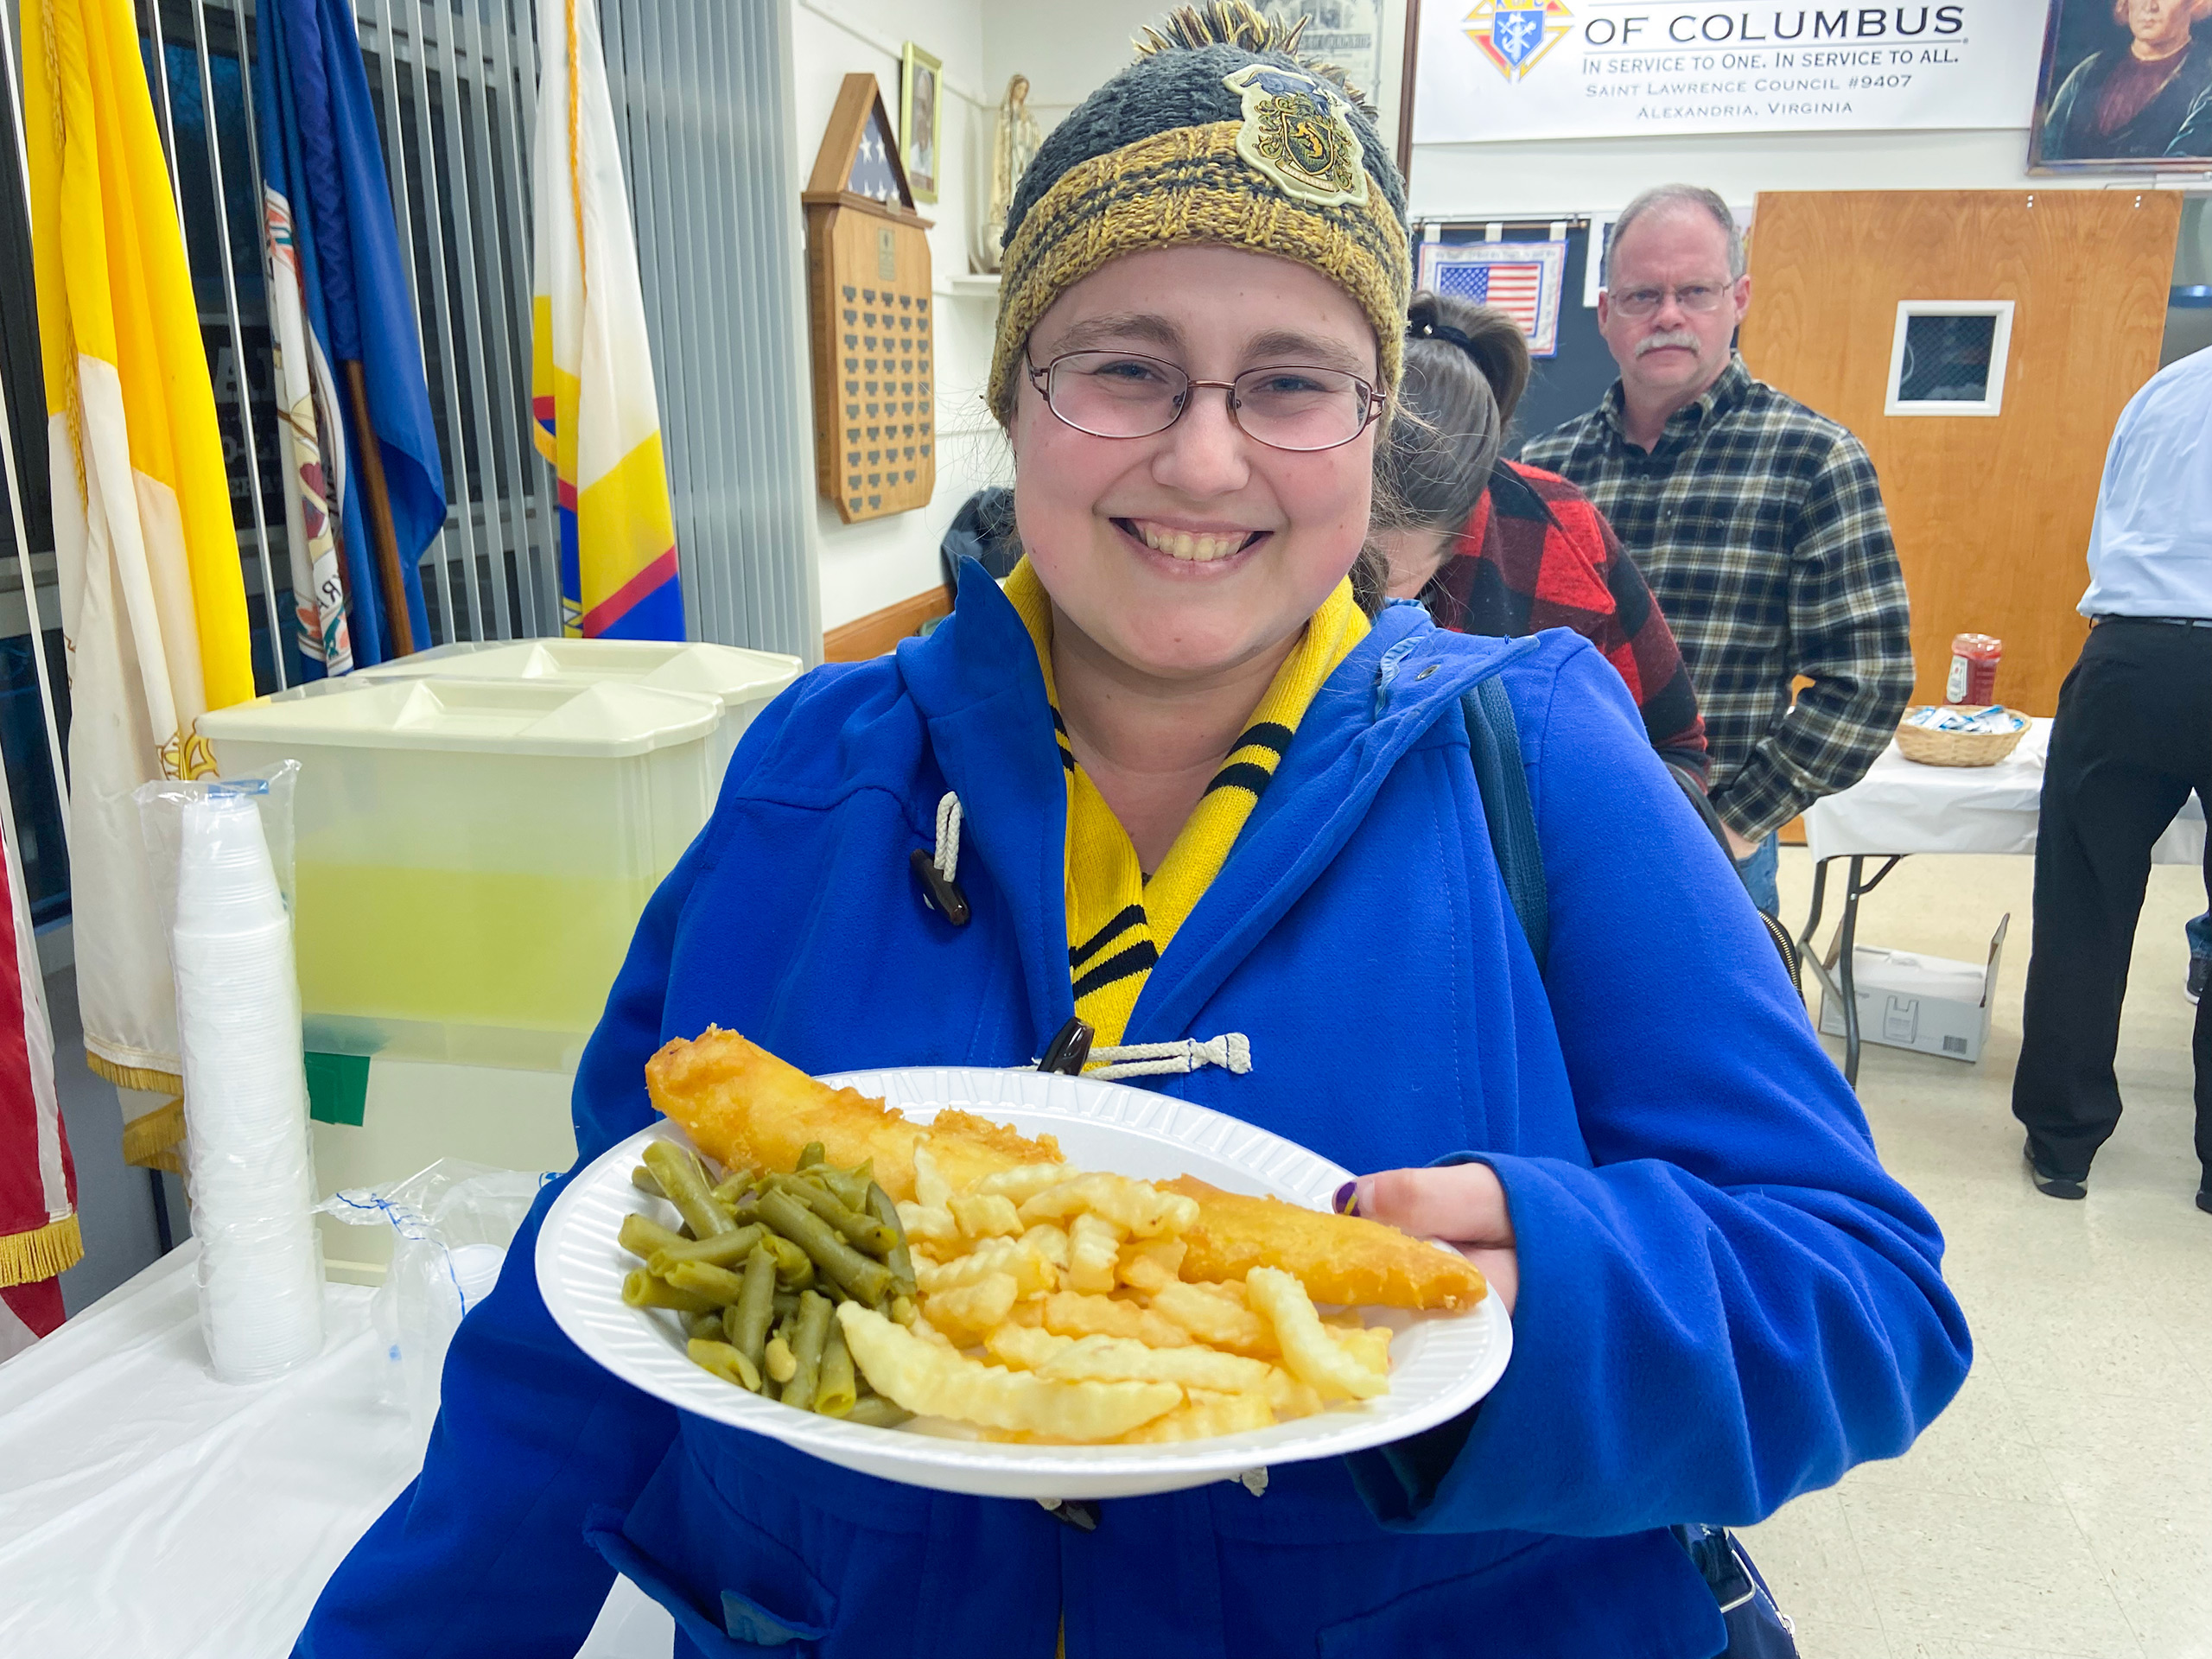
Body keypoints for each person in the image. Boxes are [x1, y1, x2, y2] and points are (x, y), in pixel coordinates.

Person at [293, 15, 1967, 1655]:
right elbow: (593, 1301)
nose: (1203, 455)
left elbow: (1865, 1299)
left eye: (1292, 382)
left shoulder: (1533, 755)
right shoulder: (814, 769)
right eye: (1124, 369)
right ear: (1015, 398)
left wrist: (1555, 1294)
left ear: (1374, 429)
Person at [1522, 184, 1914, 918]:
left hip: (1715, 852)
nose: (1668, 315)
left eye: (1693, 291)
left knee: (1701, 1037)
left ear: (1738, 299)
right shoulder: (1547, 471)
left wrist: (1737, 820)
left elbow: (1869, 679)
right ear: (1606, 315)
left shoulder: (1813, 459)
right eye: (1642, 295)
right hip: (1554, 840)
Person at [2013, 345, 2212, 1211]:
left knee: (2084, 907)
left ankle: (2063, 1146)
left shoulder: (2165, 388)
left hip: (2129, 656)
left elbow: (2114, 517)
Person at [1373, 289, 1709, 783]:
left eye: (1386, 577)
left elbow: (1674, 745)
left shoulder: (1562, 532)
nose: (1362, 605)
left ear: (1464, 529)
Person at [2039, 0, 2212, 164]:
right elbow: (2049, 148)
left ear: (2194, 3)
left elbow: (2178, 170)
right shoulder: (2089, 71)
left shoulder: (2207, 77)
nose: (2149, 6)